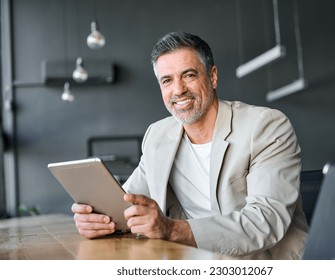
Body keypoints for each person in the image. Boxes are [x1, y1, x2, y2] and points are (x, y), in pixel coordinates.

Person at [72, 31, 308, 259]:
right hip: (189, 261)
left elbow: (265, 222)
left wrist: (172, 229)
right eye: (167, 80)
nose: (178, 90)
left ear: (212, 76)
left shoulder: (265, 126)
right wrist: (99, 220)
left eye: (189, 75)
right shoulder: (157, 135)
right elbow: (126, 204)